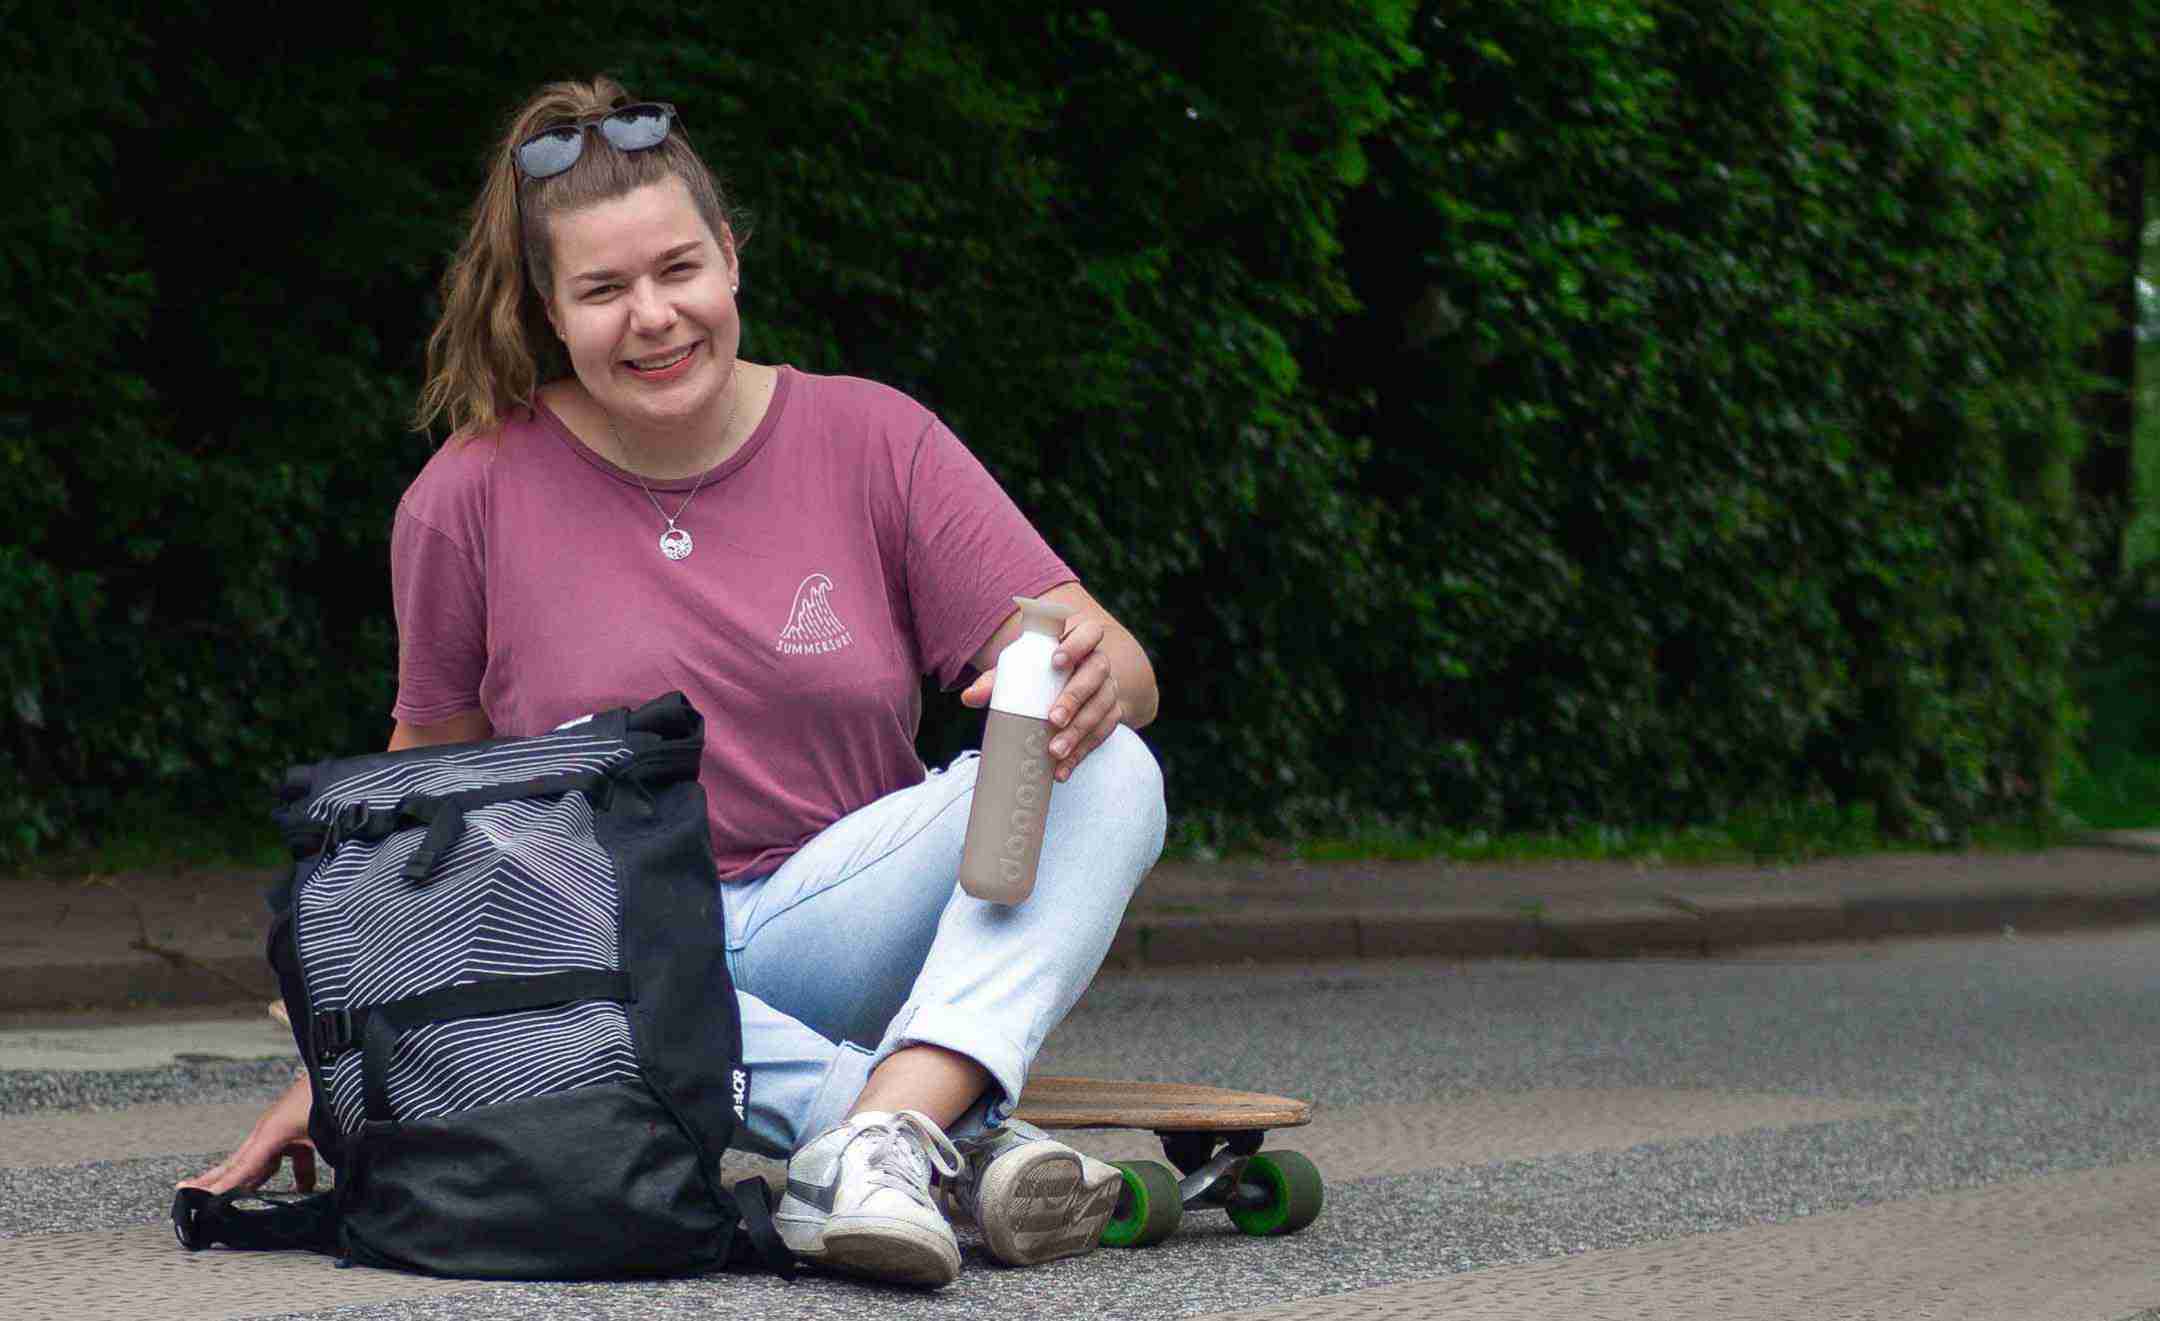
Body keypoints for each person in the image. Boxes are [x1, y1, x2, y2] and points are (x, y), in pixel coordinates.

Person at [179, 76, 1166, 1290]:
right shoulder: (466, 495)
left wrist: (1097, 677)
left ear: (731, 260)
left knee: (1113, 765)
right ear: (548, 307)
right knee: (539, 972)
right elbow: (421, 795)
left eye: (677, 270)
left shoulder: (875, 438)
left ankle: (875, 1127)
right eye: (603, 290)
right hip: (599, 955)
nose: (652, 316)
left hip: (838, 912)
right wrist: (354, 1060)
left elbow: (1107, 654)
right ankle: (911, 1137)